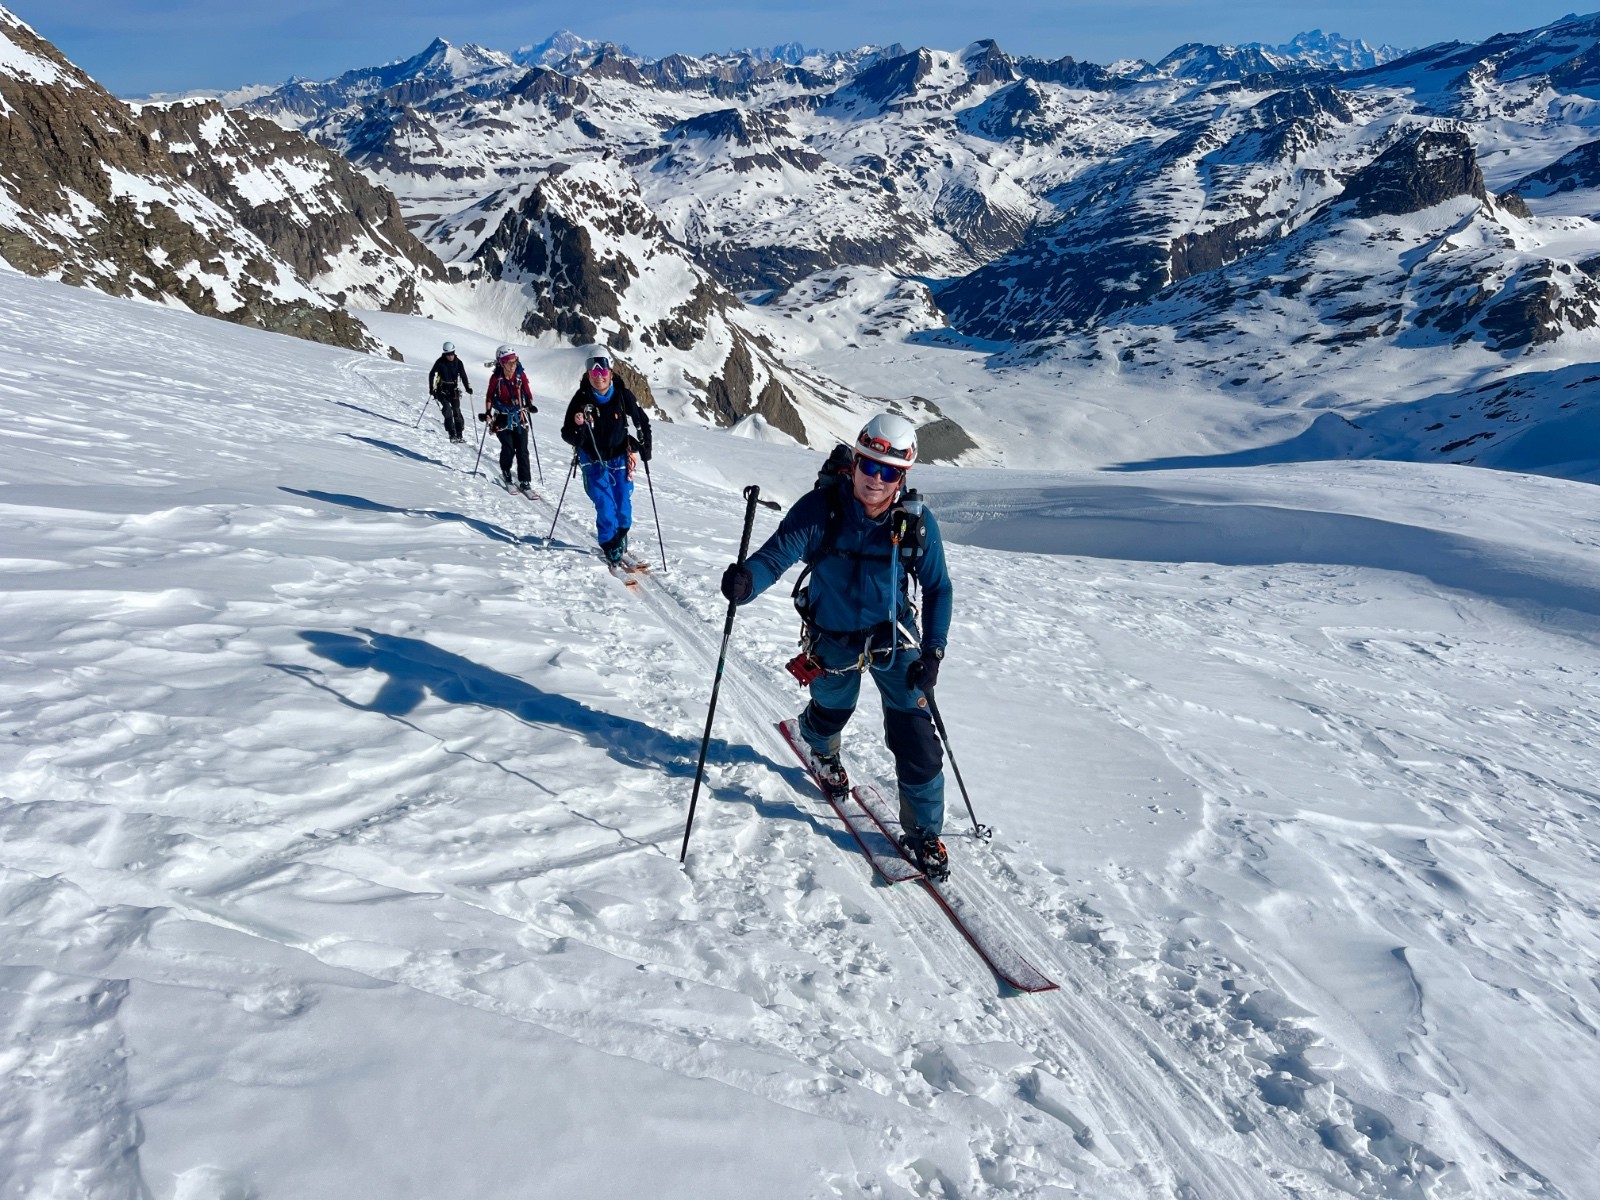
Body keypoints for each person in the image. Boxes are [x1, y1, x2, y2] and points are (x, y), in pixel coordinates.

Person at [720, 413, 954, 877]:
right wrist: (746, 582)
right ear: (856, 463)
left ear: (903, 475)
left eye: (889, 472)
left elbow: (938, 588)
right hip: (832, 637)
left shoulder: (915, 524)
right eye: (869, 465)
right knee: (830, 714)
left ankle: (924, 834)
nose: (876, 479)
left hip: (894, 639)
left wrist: (933, 652)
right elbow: (776, 556)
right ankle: (822, 750)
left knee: (917, 740)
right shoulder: (820, 509)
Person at [560, 352, 652, 564]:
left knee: (623, 505)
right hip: (592, 459)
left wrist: (647, 447)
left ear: (610, 373)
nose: (598, 376)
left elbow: (642, 421)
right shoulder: (581, 399)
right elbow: (567, 432)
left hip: (620, 457)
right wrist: (579, 430)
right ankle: (609, 543)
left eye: (602, 371)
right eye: (594, 372)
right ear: (588, 374)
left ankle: (621, 534)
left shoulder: (623, 396)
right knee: (605, 504)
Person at [482, 345, 536, 490]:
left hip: (519, 416)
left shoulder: (520, 375)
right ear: (502, 363)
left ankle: (525, 480)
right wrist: (487, 413)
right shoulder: (496, 378)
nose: (513, 365)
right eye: (509, 362)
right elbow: (489, 396)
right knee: (509, 448)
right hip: (502, 418)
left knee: (522, 450)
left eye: (515, 361)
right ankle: (506, 471)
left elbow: (527, 391)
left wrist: (529, 404)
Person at [428, 341, 471, 443]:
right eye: (448, 354)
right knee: (447, 410)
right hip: (441, 390)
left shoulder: (458, 363)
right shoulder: (440, 362)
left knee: (456, 411)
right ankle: (452, 434)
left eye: (452, 353)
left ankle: (459, 434)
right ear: (445, 353)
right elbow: (432, 374)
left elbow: (463, 376)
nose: (450, 356)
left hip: (454, 390)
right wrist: (431, 388)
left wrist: (467, 388)